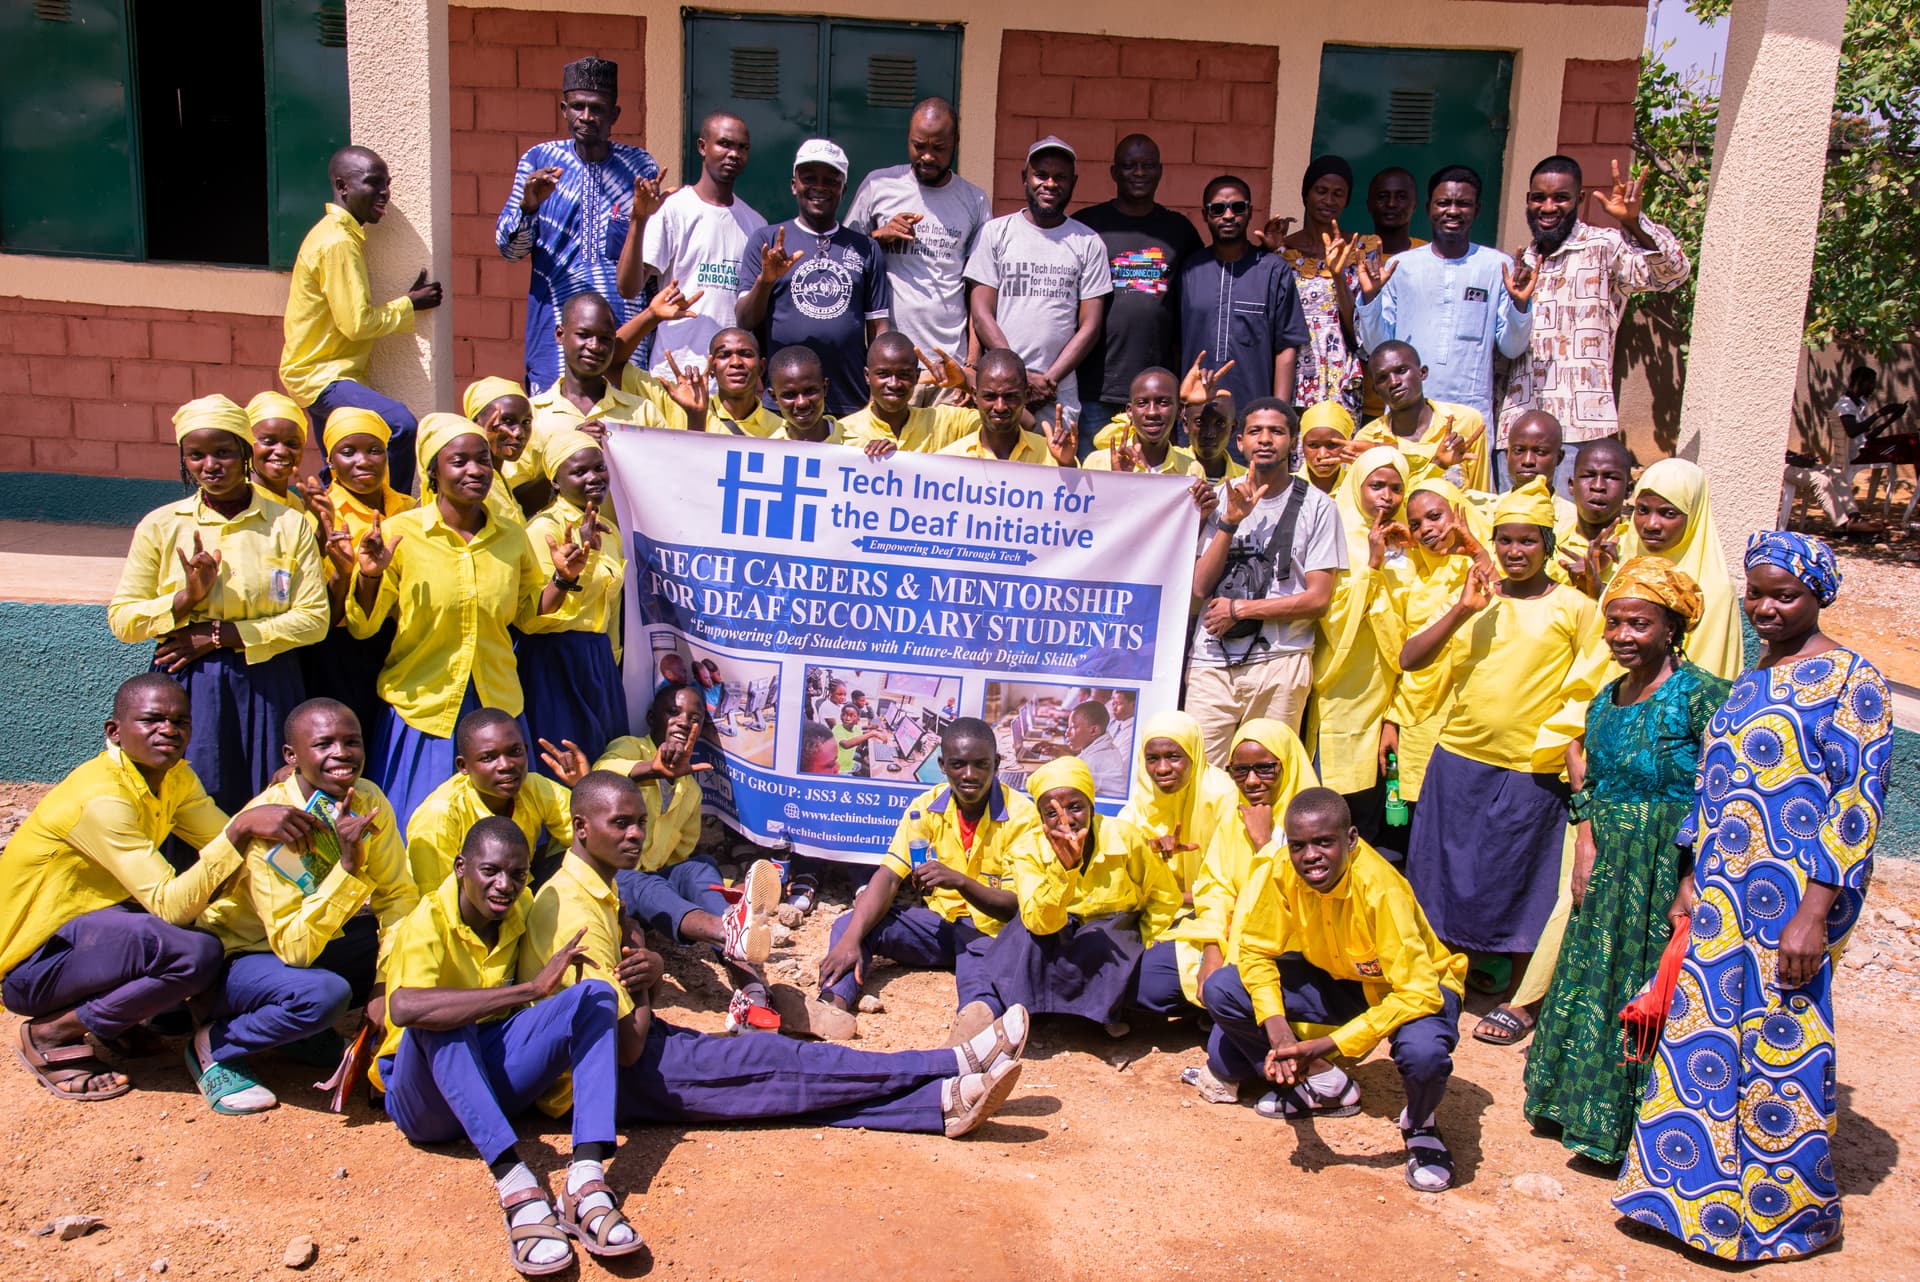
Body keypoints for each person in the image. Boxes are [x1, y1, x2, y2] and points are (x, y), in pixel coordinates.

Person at [1614, 531, 1892, 1261]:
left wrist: (1814, 913)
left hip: (1788, 903)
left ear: (1818, 595)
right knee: (1702, 1043)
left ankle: (1780, 1219)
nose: (1766, 608)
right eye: (1757, 593)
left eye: (1785, 595)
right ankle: (1684, 1203)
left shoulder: (1851, 681)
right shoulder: (1751, 678)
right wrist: (1688, 874)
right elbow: (1716, 786)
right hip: (1718, 898)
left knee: (1777, 1051)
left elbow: (1858, 804)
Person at [523, 771, 1027, 1136]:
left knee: (780, 1087)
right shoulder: (576, 914)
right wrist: (648, 971)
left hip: (623, 1054)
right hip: (604, 1083)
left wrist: (646, 969)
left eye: (639, 822)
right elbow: (625, 1049)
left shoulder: (588, 888)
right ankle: (950, 1063)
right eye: (620, 824)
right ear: (580, 827)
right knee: (777, 1061)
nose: (635, 835)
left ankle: (939, 1104)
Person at [0, 675, 320, 1102]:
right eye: (152, 720)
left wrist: (284, 795)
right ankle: (51, 1034)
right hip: (31, 965)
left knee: (194, 927)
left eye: (180, 722)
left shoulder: (173, 778)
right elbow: (174, 902)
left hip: (89, 935)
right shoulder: (102, 799)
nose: (169, 730)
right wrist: (244, 827)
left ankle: (115, 1021)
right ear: (114, 731)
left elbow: (225, 838)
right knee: (194, 951)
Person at [1522, 559, 1729, 1164]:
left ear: (1671, 627)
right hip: (1609, 866)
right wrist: (1585, 838)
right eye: (1613, 623)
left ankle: (1641, 1130)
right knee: (1594, 981)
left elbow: (1725, 790)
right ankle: (1577, 1109)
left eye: (1638, 623)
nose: (1621, 636)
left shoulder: (1702, 697)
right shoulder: (1606, 703)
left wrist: (1693, 874)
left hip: (1667, 868)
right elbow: (1585, 769)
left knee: (1650, 986)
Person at [377, 818, 643, 1275]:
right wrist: (530, 992)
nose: (504, 885)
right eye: (490, 871)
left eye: (518, 875)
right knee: (445, 1016)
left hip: (488, 1078)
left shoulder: (519, 910)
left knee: (595, 995)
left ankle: (585, 1178)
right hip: (426, 1099)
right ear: (461, 867)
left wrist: (632, 934)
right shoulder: (426, 921)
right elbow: (403, 1008)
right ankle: (517, 1187)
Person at [1400, 479, 1605, 1035]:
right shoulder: (1476, 600)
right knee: (1445, 876)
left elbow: (1590, 685)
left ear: (1546, 543)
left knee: (1524, 880)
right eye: (1505, 541)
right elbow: (1410, 658)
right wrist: (1463, 611)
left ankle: (1520, 996)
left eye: (1527, 541)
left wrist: (1563, 753)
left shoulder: (1576, 608)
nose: (1515, 552)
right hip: (1459, 756)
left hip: (1531, 768)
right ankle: (1444, 979)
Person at [1203, 789, 1468, 1191]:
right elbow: (1255, 951)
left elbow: (1418, 993)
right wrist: (1278, 1031)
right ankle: (1324, 1085)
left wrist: (1327, 1045)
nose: (1310, 856)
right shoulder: (1282, 872)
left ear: (1351, 839)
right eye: (1298, 846)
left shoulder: (1380, 889)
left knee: (1424, 1052)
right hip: (1343, 980)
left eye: (1324, 842)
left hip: (1415, 987)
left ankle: (1420, 1124)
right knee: (1224, 987)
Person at [347, 413, 582, 828]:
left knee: (499, 832)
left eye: (483, 461)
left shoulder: (511, 535)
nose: (475, 470)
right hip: (426, 706)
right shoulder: (401, 534)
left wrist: (562, 579)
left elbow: (528, 616)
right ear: (433, 471)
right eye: (459, 461)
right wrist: (369, 574)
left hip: (496, 699)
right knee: (421, 828)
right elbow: (363, 626)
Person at [190, 700, 418, 1114]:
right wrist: (349, 866)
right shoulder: (271, 825)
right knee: (325, 995)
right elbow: (292, 948)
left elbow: (397, 897)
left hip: (304, 943)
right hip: (241, 958)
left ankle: (299, 1034)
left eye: (352, 741)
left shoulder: (366, 798)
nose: (342, 753)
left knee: (412, 942)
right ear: (292, 757)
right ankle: (217, 1043)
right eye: (324, 744)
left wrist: (387, 984)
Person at [109, 396, 328, 820]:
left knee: (270, 787)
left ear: (246, 454)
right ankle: (193, 885)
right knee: (197, 789)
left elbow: (314, 619)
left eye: (224, 452)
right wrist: (185, 599)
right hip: (191, 682)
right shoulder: (162, 525)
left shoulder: (289, 523)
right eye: (196, 455)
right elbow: (123, 620)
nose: (210, 465)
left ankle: (267, 885)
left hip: (268, 677)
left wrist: (220, 635)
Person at [591, 686, 786, 1035]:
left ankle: (752, 988)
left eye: (694, 718)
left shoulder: (690, 791)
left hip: (651, 886)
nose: (683, 722)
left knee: (698, 867)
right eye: (674, 713)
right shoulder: (630, 748)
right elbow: (602, 776)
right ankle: (727, 931)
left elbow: (681, 851)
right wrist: (652, 768)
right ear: (653, 719)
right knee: (641, 881)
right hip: (610, 880)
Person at [818, 719, 1030, 1033]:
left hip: (991, 933)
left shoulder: (1023, 816)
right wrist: (851, 939)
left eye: (980, 764)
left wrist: (959, 881)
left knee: (983, 970)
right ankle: (831, 1005)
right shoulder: (926, 807)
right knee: (852, 924)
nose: (969, 775)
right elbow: (889, 876)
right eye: (958, 765)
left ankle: (974, 1027)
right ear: (943, 765)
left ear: (996, 764)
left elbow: (1015, 907)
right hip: (941, 927)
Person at [1499, 158, 1691, 493]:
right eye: (1538, 198)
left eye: (1560, 197)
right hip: (1517, 430)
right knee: (1517, 533)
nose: (1548, 207)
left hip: (1578, 430)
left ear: (1580, 199)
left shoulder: (1604, 247)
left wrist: (1635, 223)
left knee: (1568, 531)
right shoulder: (1518, 263)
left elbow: (1672, 274)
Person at [1140, 720, 1316, 1053]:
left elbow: (1298, 899)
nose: (1251, 781)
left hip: (1288, 953)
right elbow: (1215, 888)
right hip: (1230, 938)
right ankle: (1216, 1011)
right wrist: (1212, 953)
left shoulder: (1317, 821)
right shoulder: (1237, 816)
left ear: (1288, 764)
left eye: (1265, 768)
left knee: (1225, 1055)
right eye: (1240, 770)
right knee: (1143, 982)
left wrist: (1264, 843)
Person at [1187, 399, 1346, 760]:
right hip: (1211, 663)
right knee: (1202, 777)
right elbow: (1198, 589)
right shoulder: (1219, 498)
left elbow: (1317, 599)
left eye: (1276, 431)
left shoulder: (1319, 506)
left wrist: (1241, 609)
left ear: (1292, 442)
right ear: (1239, 442)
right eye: (1255, 431)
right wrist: (1228, 522)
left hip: (1281, 661)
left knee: (1268, 776)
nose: (1265, 440)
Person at [280, 145, 440, 494]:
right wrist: (407, 306)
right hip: (322, 376)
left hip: (323, 374)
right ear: (342, 186)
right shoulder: (338, 242)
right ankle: (393, 509)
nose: (384, 193)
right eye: (373, 183)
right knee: (400, 425)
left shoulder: (342, 235)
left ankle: (332, 529)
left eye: (387, 183)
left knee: (336, 476)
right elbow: (357, 324)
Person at [980, 757, 1181, 1033]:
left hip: (1112, 929)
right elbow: (1041, 922)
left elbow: (1162, 894)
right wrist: (1065, 870)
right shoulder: (1026, 850)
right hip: (1055, 925)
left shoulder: (1125, 836)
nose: (1066, 820)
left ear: (1092, 806)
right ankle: (1033, 1010)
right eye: (1052, 813)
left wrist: (1149, 938)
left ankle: (1102, 1011)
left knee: (1102, 942)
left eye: (1075, 807)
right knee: (1026, 941)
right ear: (1040, 819)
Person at [496, 56, 659, 391]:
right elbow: (510, 251)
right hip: (555, 330)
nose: (587, 117)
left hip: (621, 335)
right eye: (578, 107)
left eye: (597, 108)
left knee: (622, 429)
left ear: (614, 114)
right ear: (563, 110)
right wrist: (528, 207)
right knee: (557, 428)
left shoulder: (639, 167)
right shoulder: (540, 161)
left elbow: (649, 258)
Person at [1355, 165, 1533, 424]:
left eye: (1463, 203)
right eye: (1443, 203)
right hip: (1406, 415)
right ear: (1429, 208)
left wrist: (1519, 303)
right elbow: (1376, 347)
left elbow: (1512, 347)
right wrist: (1370, 299)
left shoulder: (1497, 266)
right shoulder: (1401, 266)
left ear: (1477, 210)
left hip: (1469, 417)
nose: (1452, 211)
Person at [1368, 476, 1488, 858]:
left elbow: (1504, 596)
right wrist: (1392, 721)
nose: (1427, 530)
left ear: (1458, 512)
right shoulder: (1415, 579)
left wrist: (1474, 548)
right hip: (1419, 722)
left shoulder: (1489, 564)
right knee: (1423, 832)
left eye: (1436, 516)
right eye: (1416, 524)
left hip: (1471, 719)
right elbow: (1402, 658)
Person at [738, 138, 892, 419]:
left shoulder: (866, 248)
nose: (819, 187)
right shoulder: (767, 240)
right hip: (783, 402)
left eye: (830, 180)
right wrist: (766, 280)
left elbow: (879, 329)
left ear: (843, 189)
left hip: (851, 400)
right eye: (809, 178)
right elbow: (745, 320)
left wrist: (876, 395)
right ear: (794, 184)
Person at [965, 137, 1111, 424]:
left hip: (1056, 392)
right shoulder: (995, 233)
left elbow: (1090, 326)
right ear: (1025, 177)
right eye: (1041, 175)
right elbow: (981, 314)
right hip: (999, 391)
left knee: (1055, 465)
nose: (1050, 184)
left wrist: (1049, 380)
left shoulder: (1088, 242)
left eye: (1060, 177)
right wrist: (1017, 377)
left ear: (1074, 182)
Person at [1074, 134, 1205, 447]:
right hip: (1096, 389)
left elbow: (1207, 279)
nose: (1139, 172)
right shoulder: (1087, 225)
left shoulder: (1179, 231)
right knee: (1095, 482)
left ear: (1160, 171)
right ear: (1114, 172)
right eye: (1129, 165)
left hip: (1156, 396)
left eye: (1147, 165)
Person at [611, 110, 763, 379]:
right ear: (702, 147)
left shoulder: (756, 224)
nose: (734, 154)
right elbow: (628, 287)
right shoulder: (674, 209)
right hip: (674, 372)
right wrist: (639, 219)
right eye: (725, 144)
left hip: (731, 382)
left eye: (742, 148)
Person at [1310, 445, 1411, 837]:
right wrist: (1371, 566)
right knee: (1334, 790)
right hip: (1342, 680)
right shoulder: (1335, 533)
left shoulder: (1410, 542)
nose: (1386, 497)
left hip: (1390, 684)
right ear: (1357, 486)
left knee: (1378, 791)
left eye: (1395, 488)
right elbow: (1332, 616)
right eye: (1376, 486)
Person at [845, 97, 991, 362]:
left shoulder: (975, 201)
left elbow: (979, 289)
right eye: (918, 145)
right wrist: (877, 238)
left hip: (950, 361)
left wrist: (972, 363)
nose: (927, 156)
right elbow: (842, 258)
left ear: (956, 142)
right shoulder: (879, 185)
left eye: (938, 148)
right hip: (891, 362)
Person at [518, 431, 626, 769]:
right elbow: (534, 618)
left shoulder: (608, 529)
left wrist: (613, 660)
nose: (594, 478)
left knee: (603, 762)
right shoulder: (542, 531)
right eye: (580, 472)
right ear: (555, 481)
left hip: (599, 662)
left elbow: (612, 608)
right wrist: (576, 570)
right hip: (555, 660)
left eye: (599, 468)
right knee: (563, 762)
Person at [407, 708, 572, 895]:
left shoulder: (535, 787)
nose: (506, 765)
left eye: (514, 752)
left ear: (526, 751)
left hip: (518, 893)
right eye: (488, 758)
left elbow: (590, 834)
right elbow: (436, 900)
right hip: (468, 910)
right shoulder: (439, 816)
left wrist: (583, 783)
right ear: (463, 766)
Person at [1179, 175, 1309, 411]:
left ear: (1249, 211)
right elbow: (1176, 341)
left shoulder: (1273, 270)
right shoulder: (1190, 269)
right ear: (1205, 215)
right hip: (1194, 411)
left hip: (1253, 412)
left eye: (1237, 207)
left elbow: (1286, 346)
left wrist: (1278, 412)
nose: (1228, 215)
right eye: (1218, 209)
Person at [1614, 457, 1743, 681]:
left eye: (1668, 513)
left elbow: (1704, 678)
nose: (1651, 524)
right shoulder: (1627, 565)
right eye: (1642, 510)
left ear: (1693, 516)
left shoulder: (1713, 590)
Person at [528, 292, 704, 450]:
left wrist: (696, 418)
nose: (595, 346)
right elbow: (512, 485)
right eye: (583, 335)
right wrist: (572, 447)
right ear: (560, 334)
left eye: (605, 339)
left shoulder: (642, 412)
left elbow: (670, 476)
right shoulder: (533, 415)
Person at [1277, 155, 1382, 414]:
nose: (1329, 200)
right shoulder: (1283, 250)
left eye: (1338, 194)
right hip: (1292, 370)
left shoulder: (1361, 250)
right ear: (1305, 195)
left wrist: (1338, 276)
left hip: (1339, 372)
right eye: (1321, 191)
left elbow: (1357, 331)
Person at [1355, 340, 1491, 493]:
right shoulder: (1367, 440)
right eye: (1382, 378)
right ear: (1376, 391)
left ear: (1422, 373)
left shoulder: (1466, 421)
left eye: (1401, 370)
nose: (1393, 382)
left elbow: (1480, 494)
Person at [840, 331, 979, 454]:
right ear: (867, 376)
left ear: (917, 376)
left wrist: (965, 383)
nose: (894, 384)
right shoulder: (844, 432)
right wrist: (866, 462)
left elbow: (997, 427)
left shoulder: (944, 422)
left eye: (904, 374)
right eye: (883, 374)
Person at [936, 348, 1077, 465]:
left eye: (1010, 396)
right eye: (990, 396)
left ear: (1027, 395)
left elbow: (1076, 497)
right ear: (974, 396)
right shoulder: (949, 461)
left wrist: (1066, 466)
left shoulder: (1053, 455)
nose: (1000, 407)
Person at [1084, 367, 1202, 475]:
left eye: (1163, 403)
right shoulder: (1097, 464)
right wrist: (1118, 480)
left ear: (1179, 411)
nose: (1152, 412)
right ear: (1130, 412)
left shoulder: (1192, 470)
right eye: (1142, 403)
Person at [463, 377, 545, 517]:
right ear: (476, 423)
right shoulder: (471, 484)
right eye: (506, 421)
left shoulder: (500, 482)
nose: (519, 433)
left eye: (526, 422)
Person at [703, 327, 784, 436]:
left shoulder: (780, 428)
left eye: (746, 354)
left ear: (761, 367)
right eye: (724, 355)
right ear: (711, 368)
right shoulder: (687, 411)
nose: (736, 362)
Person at [767, 344, 850, 445]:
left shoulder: (859, 447)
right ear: (774, 397)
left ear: (824, 388)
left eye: (810, 391)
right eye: (790, 395)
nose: (801, 403)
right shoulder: (769, 453)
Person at [244, 392, 311, 515]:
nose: (281, 451)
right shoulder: (240, 503)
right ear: (247, 443)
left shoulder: (296, 504)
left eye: (292, 444)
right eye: (269, 441)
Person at [1064, 700, 1128, 796]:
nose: (1067, 733)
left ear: (1094, 730)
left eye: (1073, 727)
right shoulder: (1099, 748)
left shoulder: (1097, 759)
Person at [1296, 400, 1354, 494]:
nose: (1322, 455)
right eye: (1313, 445)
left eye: (1332, 445)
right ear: (1302, 446)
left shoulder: (1357, 489)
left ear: (1347, 445)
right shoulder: (1283, 489)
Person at [1365, 167, 1424, 259]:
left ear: (1415, 205)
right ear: (1369, 205)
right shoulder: (1353, 257)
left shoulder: (1427, 255)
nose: (1391, 204)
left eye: (1401, 197)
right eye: (1383, 196)